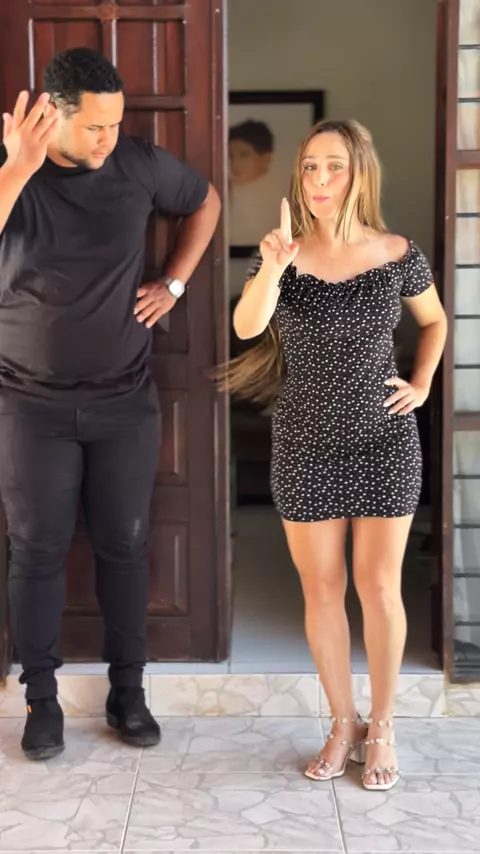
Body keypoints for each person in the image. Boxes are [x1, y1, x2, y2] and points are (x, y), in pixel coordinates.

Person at [0, 47, 220, 761]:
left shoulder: (138, 165)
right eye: (95, 127)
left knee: (125, 545)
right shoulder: (12, 169)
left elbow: (205, 201)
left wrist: (174, 283)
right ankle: (40, 701)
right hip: (28, 404)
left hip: (124, 400)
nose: (107, 139)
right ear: (55, 115)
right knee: (36, 550)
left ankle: (129, 692)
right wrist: (18, 168)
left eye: (115, 124)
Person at [226, 119, 447, 792]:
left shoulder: (398, 253)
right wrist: (272, 264)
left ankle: (383, 727)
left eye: (335, 167)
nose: (320, 180)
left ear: (359, 175)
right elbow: (246, 326)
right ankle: (343, 723)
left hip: (385, 440)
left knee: (378, 587)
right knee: (322, 590)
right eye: (310, 167)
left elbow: (435, 320)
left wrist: (422, 383)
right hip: (303, 444)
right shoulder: (283, 255)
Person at [228, 119, 279, 246]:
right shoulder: (226, 193)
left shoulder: (278, 198)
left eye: (244, 155)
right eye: (231, 156)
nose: (235, 164)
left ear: (265, 159)